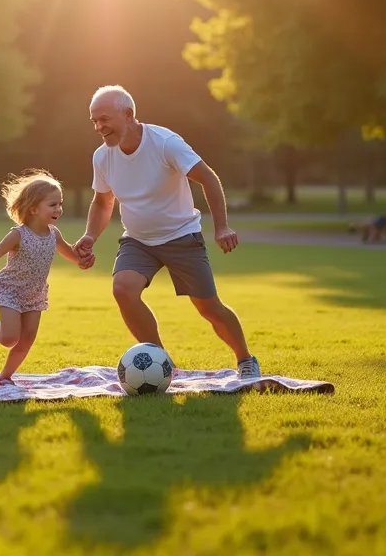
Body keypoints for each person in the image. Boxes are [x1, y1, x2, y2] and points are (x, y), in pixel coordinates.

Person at [72, 85, 262, 379]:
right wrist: (89, 236)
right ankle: (163, 363)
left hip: (181, 236)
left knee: (209, 308)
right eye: (94, 121)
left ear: (128, 114)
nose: (99, 127)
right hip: (138, 240)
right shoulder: (102, 157)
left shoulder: (165, 143)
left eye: (104, 119)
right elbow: (102, 201)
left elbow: (208, 178)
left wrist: (221, 226)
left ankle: (246, 359)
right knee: (123, 289)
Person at [0, 171, 83, 385]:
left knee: (26, 340)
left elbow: (70, 253)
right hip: (10, 290)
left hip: (35, 293)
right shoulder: (18, 235)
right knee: (9, 338)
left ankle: (5, 377)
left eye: (60, 204)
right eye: (52, 204)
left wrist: (83, 259)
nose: (59, 209)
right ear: (34, 208)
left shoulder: (54, 234)